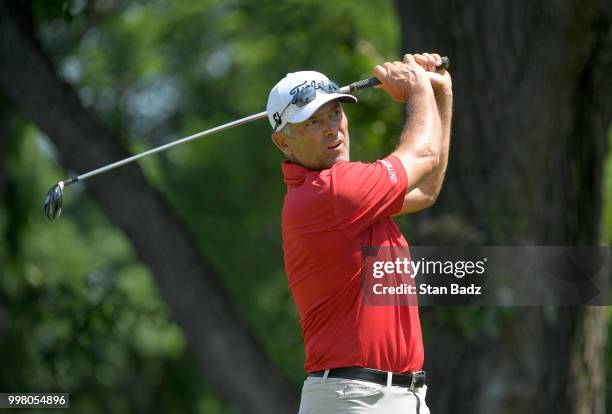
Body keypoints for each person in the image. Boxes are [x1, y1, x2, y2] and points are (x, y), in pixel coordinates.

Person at [267, 53, 452, 414]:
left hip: (395, 396)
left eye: (335, 113)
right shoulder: (333, 191)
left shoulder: (345, 197)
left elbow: (426, 190)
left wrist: (439, 93)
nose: (331, 128)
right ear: (283, 143)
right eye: (312, 122)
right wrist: (416, 89)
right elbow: (424, 153)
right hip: (356, 398)